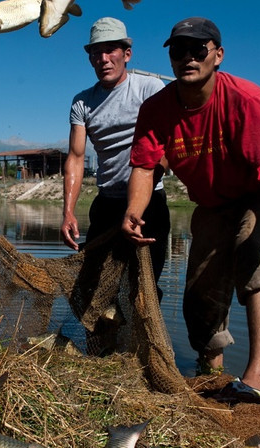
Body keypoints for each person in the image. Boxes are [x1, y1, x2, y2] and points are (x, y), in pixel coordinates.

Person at [121, 17, 260, 398]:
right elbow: (144, 166)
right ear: (171, 59)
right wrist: (133, 210)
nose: (188, 58)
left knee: (253, 258)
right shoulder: (157, 109)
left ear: (217, 55)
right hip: (209, 204)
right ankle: (211, 374)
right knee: (199, 299)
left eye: (198, 49)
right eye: (178, 51)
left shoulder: (245, 97)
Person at [61, 17, 170, 291]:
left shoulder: (150, 89)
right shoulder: (83, 101)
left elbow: (166, 150)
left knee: (142, 288)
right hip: (107, 203)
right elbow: (75, 158)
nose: (104, 59)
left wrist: (136, 205)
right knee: (94, 288)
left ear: (127, 54)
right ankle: (100, 334)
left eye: (111, 50)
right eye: (96, 52)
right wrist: (68, 212)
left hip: (150, 206)